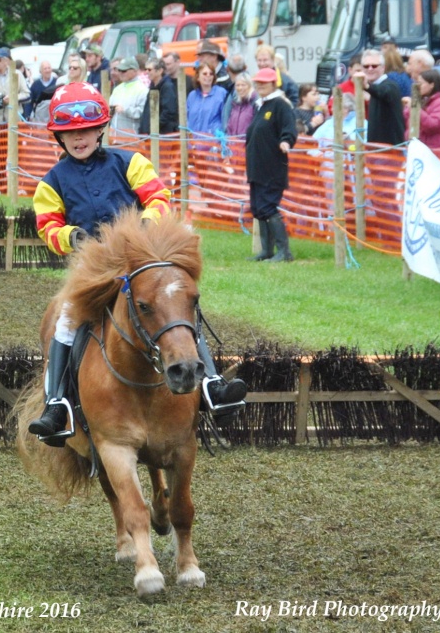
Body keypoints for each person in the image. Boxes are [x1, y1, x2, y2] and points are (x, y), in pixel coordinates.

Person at [27, 82, 246, 445]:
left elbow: (158, 196)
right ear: (58, 137)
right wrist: (71, 238)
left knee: (177, 304)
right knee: (65, 320)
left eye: (86, 130)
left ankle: (211, 384)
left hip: (139, 261)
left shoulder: (131, 162)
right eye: (69, 133)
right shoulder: (49, 183)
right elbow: (46, 227)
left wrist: (146, 224)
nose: (78, 138)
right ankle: (57, 405)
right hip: (93, 270)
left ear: (101, 130)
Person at [245, 68, 297, 263]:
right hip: (257, 168)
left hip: (272, 168)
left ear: (274, 84)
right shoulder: (261, 106)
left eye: (264, 83)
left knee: (268, 207)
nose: (260, 86)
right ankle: (267, 250)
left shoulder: (281, 105)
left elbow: (289, 128)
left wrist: (286, 141)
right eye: (258, 83)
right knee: (258, 208)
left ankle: (284, 252)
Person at [358, 49, 405, 146]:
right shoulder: (374, 88)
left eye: (374, 66)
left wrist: (367, 86)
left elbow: (385, 92)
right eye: (366, 66)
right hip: (375, 148)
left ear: (383, 68)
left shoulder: (391, 85)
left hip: (391, 150)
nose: (370, 69)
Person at [404, 70, 440, 148]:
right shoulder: (421, 101)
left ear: (431, 85)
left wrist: (415, 109)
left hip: (431, 151)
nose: (418, 86)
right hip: (414, 147)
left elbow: (433, 125)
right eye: (416, 83)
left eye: (421, 83)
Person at [138, 59, 178, 135]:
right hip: (150, 133)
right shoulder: (152, 86)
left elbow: (169, 111)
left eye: (149, 70)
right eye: (145, 69)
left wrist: (153, 127)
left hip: (162, 134)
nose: (146, 72)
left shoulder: (167, 87)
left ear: (160, 71)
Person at [107, 57, 147, 133]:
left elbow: (142, 114)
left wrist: (125, 110)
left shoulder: (142, 90)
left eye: (124, 71)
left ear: (135, 71)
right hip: (114, 138)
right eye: (119, 70)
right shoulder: (117, 89)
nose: (120, 73)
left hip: (132, 139)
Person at [187, 64, 228, 135]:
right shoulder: (192, 96)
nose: (208, 76)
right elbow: (187, 119)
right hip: (193, 142)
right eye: (204, 74)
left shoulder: (221, 93)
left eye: (211, 74)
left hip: (213, 141)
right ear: (198, 77)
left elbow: (226, 118)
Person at [223, 71, 258, 137]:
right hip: (233, 144)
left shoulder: (255, 102)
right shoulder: (234, 103)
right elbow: (228, 124)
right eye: (237, 85)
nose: (240, 88)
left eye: (243, 85)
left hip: (247, 144)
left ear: (250, 85)